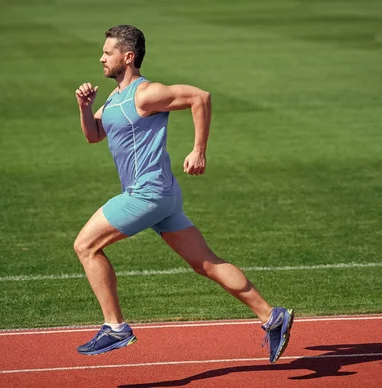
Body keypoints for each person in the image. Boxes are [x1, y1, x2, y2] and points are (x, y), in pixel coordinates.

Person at [73, 24, 293, 364]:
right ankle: (271, 316)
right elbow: (94, 135)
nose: (101, 57)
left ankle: (115, 327)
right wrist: (85, 107)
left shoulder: (145, 94)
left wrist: (198, 150)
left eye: (107, 52)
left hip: (147, 193)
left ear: (128, 57)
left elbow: (200, 97)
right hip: (162, 197)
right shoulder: (115, 98)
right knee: (206, 263)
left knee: (85, 246)